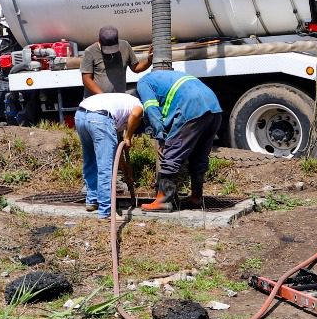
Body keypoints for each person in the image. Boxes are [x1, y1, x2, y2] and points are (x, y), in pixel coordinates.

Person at [135, 69, 222, 212]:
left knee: (171, 155)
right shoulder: (165, 78)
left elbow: (152, 110)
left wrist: (161, 139)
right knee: (199, 156)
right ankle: (196, 197)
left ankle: (163, 201)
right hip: (214, 107)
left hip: (192, 107)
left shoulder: (143, 84)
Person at [74, 90, 142, 218]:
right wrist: (128, 136)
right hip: (100, 118)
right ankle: (106, 211)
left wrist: (126, 170)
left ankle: (92, 200)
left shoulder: (121, 102)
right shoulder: (138, 104)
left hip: (80, 115)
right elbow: (136, 114)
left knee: (90, 160)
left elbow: (115, 152)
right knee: (105, 166)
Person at [80, 25, 153, 95]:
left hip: (118, 98)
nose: (111, 52)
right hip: (97, 100)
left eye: (113, 48)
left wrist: (149, 61)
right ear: (99, 41)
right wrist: (102, 96)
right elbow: (86, 80)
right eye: (107, 49)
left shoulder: (125, 46)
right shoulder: (90, 52)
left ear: (117, 40)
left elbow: (136, 68)